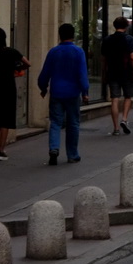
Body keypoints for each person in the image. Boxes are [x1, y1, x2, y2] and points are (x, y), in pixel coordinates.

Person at [37, 24, 89, 165]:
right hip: (73, 93)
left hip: (57, 92)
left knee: (55, 122)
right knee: (73, 123)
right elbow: (82, 74)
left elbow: (44, 73)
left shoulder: (53, 52)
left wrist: (43, 87)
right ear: (73, 35)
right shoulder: (78, 52)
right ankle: (72, 155)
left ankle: (54, 148)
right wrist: (85, 92)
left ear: (60, 35)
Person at [101, 16, 133, 135]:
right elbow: (132, 57)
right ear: (126, 27)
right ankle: (124, 119)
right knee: (128, 96)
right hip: (126, 72)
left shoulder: (107, 40)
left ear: (114, 26)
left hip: (112, 72)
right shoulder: (129, 39)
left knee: (114, 99)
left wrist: (104, 73)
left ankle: (116, 128)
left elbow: (104, 59)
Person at [0, 27, 29, 160]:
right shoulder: (11, 52)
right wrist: (17, 69)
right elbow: (27, 63)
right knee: (5, 119)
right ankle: (0, 149)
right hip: (8, 87)